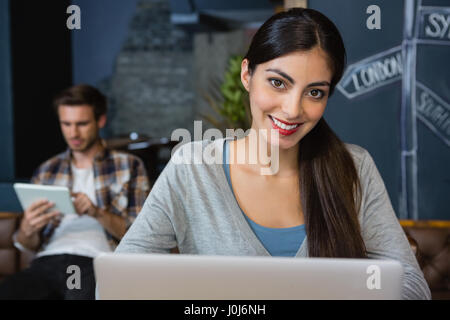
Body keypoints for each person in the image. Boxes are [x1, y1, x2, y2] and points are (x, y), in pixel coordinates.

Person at [114, 8, 431, 299]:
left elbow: (412, 288)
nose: (293, 110)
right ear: (247, 75)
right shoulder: (192, 168)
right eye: (278, 82)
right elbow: (117, 284)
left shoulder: (355, 167)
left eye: (315, 92)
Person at [0, 84, 150, 299]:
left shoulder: (129, 166)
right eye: (66, 124)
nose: (73, 133)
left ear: (101, 121)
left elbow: (140, 238)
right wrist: (27, 228)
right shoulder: (47, 170)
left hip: (95, 261)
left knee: (80, 291)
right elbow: (27, 245)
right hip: (47, 261)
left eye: (82, 124)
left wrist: (97, 213)